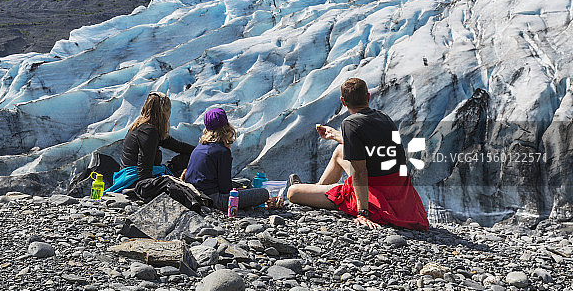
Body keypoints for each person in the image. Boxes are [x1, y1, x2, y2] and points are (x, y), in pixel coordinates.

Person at [287, 78, 429, 230]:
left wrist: (363, 213)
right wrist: (334, 135)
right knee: (340, 151)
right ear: (368, 97)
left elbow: (360, 172)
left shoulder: (350, 123)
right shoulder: (383, 117)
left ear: (343, 101)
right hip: (399, 191)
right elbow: (367, 147)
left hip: (376, 195)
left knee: (292, 192)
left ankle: (312, 192)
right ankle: (318, 189)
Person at [106, 91, 193, 193]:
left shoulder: (142, 126)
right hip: (134, 180)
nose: (170, 113)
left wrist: (198, 152)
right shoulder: (149, 132)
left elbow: (178, 146)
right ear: (164, 112)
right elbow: (144, 172)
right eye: (169, 110)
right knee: (184, 161)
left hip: (129, 176)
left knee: (185, 157)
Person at [184, 107, 269, 211]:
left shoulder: (200, 146)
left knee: (245, 182)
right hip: (213, 199)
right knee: (264, 193)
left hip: (194, 193)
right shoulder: (222, 151)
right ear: (226, 127)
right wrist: (236, 191)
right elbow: (225, 189)